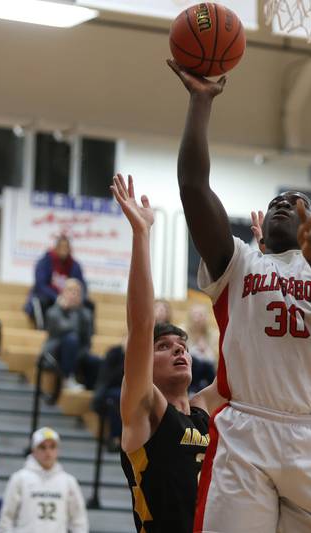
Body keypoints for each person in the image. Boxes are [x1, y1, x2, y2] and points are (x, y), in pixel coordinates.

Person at [167, 59, 311, 533]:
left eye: (295, 201)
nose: (282, 202)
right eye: (276, 200)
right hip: (247, 430)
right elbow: (193, 188)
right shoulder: (240, 262)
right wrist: (200, 103)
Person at [110, 174, 224, 533]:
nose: (179, 350)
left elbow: (247, 360)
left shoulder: (203, 410)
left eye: (183, 347)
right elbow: (142, 325)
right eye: (164, 347)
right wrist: (141, 235)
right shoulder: (145, 408)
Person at [0, 427, 88, 532]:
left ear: (58, 450)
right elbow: (6, 517)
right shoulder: (19, 478)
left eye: (52, 447)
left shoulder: (68, 481)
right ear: (33, 450)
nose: (48, 452)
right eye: (42, 447)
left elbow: (79, 519)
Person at [23, 235, 89, 328]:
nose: (64, 250)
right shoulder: (44, 262)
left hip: (68, 298)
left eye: (66, 247)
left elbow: (81, 285)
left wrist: (77, 299)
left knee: (89, 305)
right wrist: (57, 297)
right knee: (42, 302)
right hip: (49, 296)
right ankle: (43, 329)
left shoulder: (75, 265)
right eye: (61, 247)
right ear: (56, 248)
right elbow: (40, 285)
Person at [43, 278, 94, 391]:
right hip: (55, 353)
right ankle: (67, 378)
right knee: (72, 338)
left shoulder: (86, 314)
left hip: (77, 353)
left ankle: (93, 392)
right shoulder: (54, 311)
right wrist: (63, 309)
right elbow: (67, 329)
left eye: (77, 292)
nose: (74, 294)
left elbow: (87, 340)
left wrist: (80, 354)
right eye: (71, 291)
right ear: (63, 293)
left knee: (96, 361)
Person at [91, 338, 126, 452]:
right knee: (117, 397)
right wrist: (126, 357)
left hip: (128, 391)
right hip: (108, 390)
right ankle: (115, 438)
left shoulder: (141, 355)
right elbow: (109, 379)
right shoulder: (114, 353)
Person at [185, 305, 217, 395]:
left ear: (206, 318)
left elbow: (215, 360)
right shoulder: (183, 332)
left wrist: (206, 350)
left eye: (200, 315)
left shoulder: (213, 334)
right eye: (195, 315)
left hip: (208, 376)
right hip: (189, 372)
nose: (197, 319)